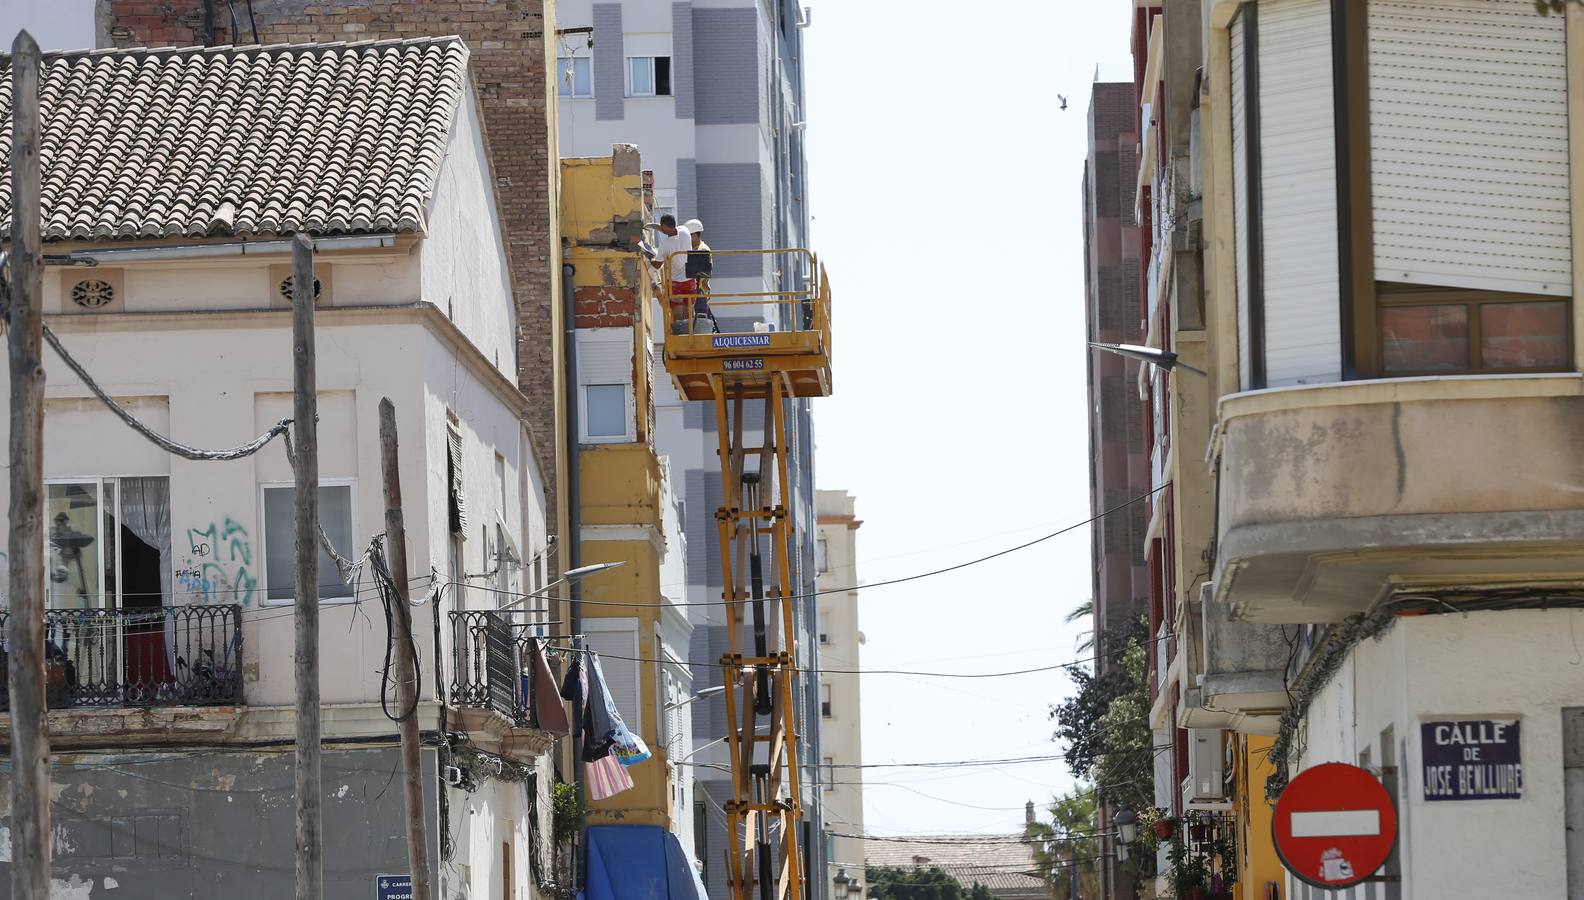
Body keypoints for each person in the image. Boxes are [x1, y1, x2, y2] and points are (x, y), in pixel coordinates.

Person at [646, 214, 694, 334]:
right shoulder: (685, 231)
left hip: (675, 283)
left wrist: (650, 257)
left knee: (678, 313)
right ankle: (691, 334)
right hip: (690, 280)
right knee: (689, 311)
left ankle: (680, 335)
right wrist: (654, 226)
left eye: (662, 228)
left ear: (665, 228)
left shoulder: (665, 245)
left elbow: (657, 265)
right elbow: (670, 228)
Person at [683, 218, 716, 333]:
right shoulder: (693, 249)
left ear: (695, 235)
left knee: (701, 322)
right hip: (694, 291)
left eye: (689, 236)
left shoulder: (703, 250)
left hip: (700, 292)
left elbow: (703, 273)